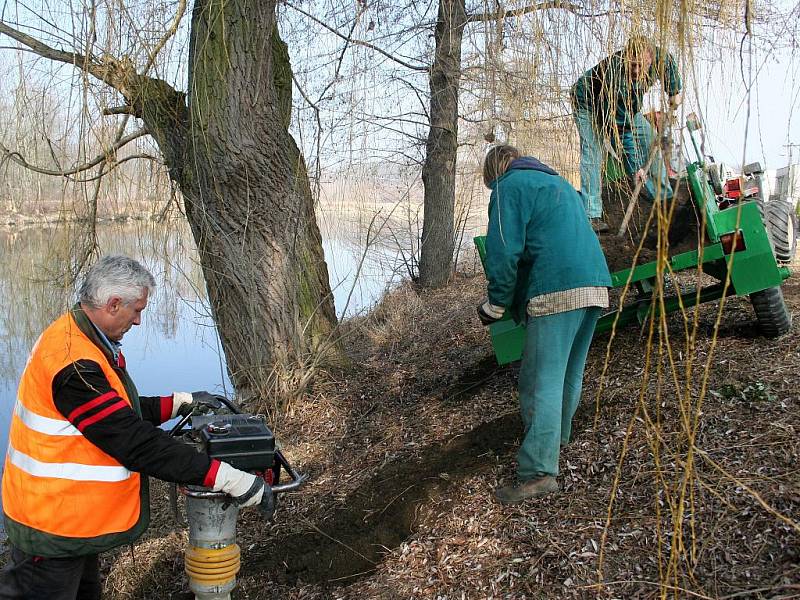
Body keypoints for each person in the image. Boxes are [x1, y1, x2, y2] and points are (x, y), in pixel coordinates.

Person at [0, 255, 271, 599]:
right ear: (114, 304)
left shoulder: (80, 336)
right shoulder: (74, 364)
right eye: (137, 310)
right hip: (49, 524)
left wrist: (179, 402)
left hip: (71, 518)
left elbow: (113, 411)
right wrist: (228, 478)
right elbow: (134, 442)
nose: (139, 321)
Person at [477, 145, 612, 504]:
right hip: (595, 284)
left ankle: (538, 472)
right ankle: (556, 440)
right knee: (569, 372)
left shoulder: (509, 186)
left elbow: (504, 250)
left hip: (557, 287)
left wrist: (496, 302)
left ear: (494, 172)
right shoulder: (561, 185)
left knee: (540, 381)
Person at [571, 36, 682, 233]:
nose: (636, 71)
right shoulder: (617, 78)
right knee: (593, 153)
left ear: (651, 58)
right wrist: (634, 167)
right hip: (588, 103)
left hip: (626, 106)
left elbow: (670, 67)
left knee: (650, 141)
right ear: (625, 58)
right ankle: (591, 215)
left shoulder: (660, 58)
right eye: (632, 65)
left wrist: (674, 91)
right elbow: (619, 130)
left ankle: (664, 201)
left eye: (641, 66)